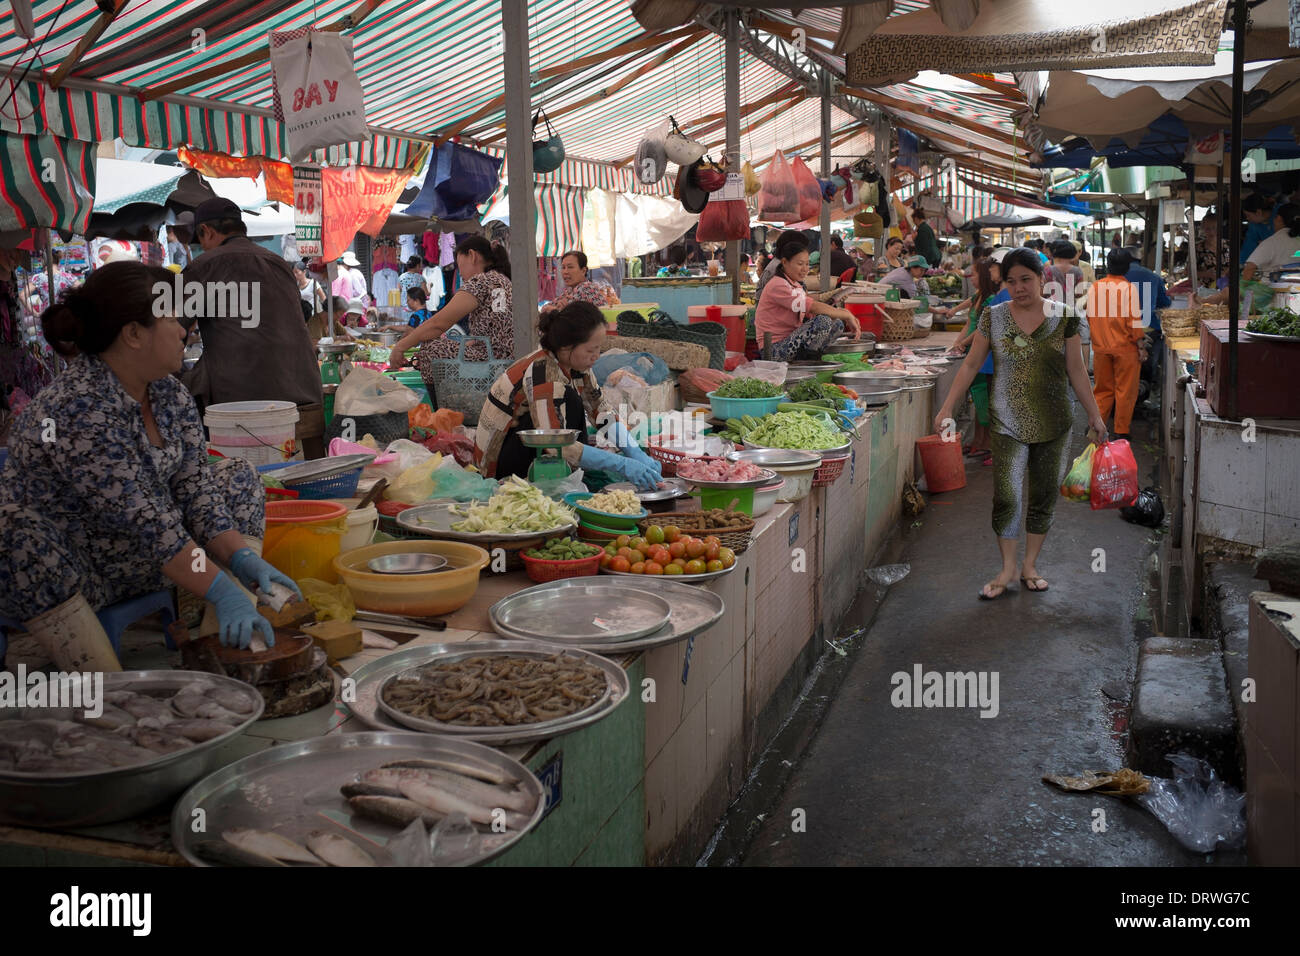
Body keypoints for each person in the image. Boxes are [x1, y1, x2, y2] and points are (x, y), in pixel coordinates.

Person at [0, 263, 300, 668]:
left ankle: (227, 646)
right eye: (172, 317)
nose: (185, 330)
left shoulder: (169, 394)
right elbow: (149, 525)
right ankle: (107, 690)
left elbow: (196, 490)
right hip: (76, 575)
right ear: (134, 333)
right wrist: (220, 587)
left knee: (235, 475)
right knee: (10, 528)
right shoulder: (77, 408)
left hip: (145, 560)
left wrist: (242, 559)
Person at [934, 248, 1108, 600]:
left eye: (1026, 280)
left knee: (1044, 495)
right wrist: (947, 406)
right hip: (1007, 421)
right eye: (1011, 281)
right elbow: (969, 365)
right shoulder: (992, 317)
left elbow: (1077, 370)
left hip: (1056, 419)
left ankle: (1030, 564)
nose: (1019, 288)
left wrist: (1094, 413)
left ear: (1042, 279)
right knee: (1007, 495)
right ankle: (1007, 568)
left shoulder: (1066, 317)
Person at [179, 198, 324, 452]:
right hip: (304, 388)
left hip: (238, 401)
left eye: (200, 239)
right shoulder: (278, 263)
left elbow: (169, 329)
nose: (202, 246)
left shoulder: (203, 266)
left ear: (207, 231)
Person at [473, 301, 662, 489]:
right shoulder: (544, 372)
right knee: (571, 400)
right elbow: (555, 444)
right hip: (500, 464)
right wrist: (621, 465)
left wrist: (635, 452)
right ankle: (544, 480)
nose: (596, 356)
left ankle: (564, 474)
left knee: (574, 402)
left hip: (531, 444)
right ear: (566, 346)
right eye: (590, 350)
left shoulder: (576, 366)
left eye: (599, 348)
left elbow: (601, 411)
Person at [390, 235, 513, 375]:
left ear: (472, 256)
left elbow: (438, 323)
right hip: (504, 358)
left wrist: (400, 347)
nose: (460, 274)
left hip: (492, 362)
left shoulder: (481, 281)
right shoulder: (502, 279)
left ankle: (440, 398)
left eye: (460, 267)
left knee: (431, 348)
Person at [755, 231, 860, 362]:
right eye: (800, 264)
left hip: (790, 340)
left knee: (836, 323)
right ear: (785, 262)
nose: (805, 269)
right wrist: (846, 314)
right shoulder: (777, 284)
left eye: (807, 264)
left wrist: (838, 310)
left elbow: (809, 313)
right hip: (774, 349)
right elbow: (811, 306)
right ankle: (807, 361)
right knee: (823, 321)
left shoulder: (794, 284)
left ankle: (812, 357)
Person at [945, 258, 1003, 464]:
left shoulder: (991, 300)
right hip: (973, 353)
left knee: (983, 401)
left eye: (976, 274)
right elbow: (969, 317)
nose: (972, 277)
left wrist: (963, 343)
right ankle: (978, 441)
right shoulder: (979, 296)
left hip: (984, 356)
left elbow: (981, 329)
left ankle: (986, 444)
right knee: (978, 401)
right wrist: (957, 343)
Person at [1086, 250, 1148, 440]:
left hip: (1101, 348)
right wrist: (1141, 345)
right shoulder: (1129, 289)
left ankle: (1096, 426)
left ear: (1108, 265)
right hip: (1125, 349)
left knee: (1102, 390)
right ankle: (1121, 431)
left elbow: (1089, 316)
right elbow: (1134, 321)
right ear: (1127, 267)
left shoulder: (1095, 287)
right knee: (1125, 392)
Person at [1195, 203, 1300, 305]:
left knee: (1230, 293)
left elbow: (1249, 268)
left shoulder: (1273, 241)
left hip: (1267, 291)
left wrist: (1242, 290)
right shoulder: (1296, 240)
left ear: (1278, 219)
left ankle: (1202, 302)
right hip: (1292, 286)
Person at [544, 250, 618, 312]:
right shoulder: (569, 291)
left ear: (583, 271)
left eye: (570, 267)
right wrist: (556, 309)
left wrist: (556, 309)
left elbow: (563, 312)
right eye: (563, 267)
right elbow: (545, 308)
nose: (565, 271)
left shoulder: (587, 288)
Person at [1240, 194, 1274, 265]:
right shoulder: (1254, 225)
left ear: (1258, 212)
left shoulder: (1280, 214)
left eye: (1248, 215)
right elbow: (1248, 247)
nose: (1247, 218)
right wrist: (1241, 266)